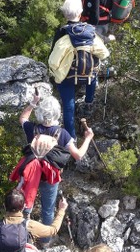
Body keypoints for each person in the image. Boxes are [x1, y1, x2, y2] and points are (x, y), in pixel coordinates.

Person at [10, 94, 93, 230]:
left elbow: (23, 118)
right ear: (57, 113)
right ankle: (45, 240)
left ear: (40, 112)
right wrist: (88, 138)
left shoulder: (32, 129)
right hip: (50, 177)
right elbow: (78, 155)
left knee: (23, 204)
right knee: (48, 209)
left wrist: (33, 102)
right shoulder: (63, 134)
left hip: (30, 174)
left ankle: (21, 233)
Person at [48, 0, 109, 139]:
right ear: (80, 13)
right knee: (92, 79)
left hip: (68, 78)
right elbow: (104, 53)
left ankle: (71, 137)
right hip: (87, 76)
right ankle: (88, 103)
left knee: (69, 107)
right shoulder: (90, 32)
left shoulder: (63, 34)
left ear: (65, 14)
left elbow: (53, 61)